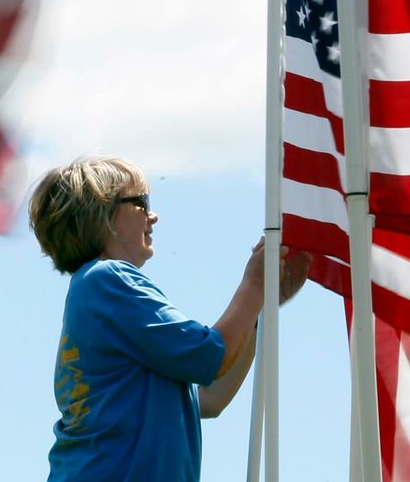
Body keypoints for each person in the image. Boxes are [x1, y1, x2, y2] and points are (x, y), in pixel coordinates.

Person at [30, 155, 309, 482]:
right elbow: (210, 355)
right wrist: (254, 285)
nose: (153, 216)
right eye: (141, 202)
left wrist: (257, 308)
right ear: (102, 215)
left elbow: (208, 398)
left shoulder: (94, 291)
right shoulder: (107, 279)